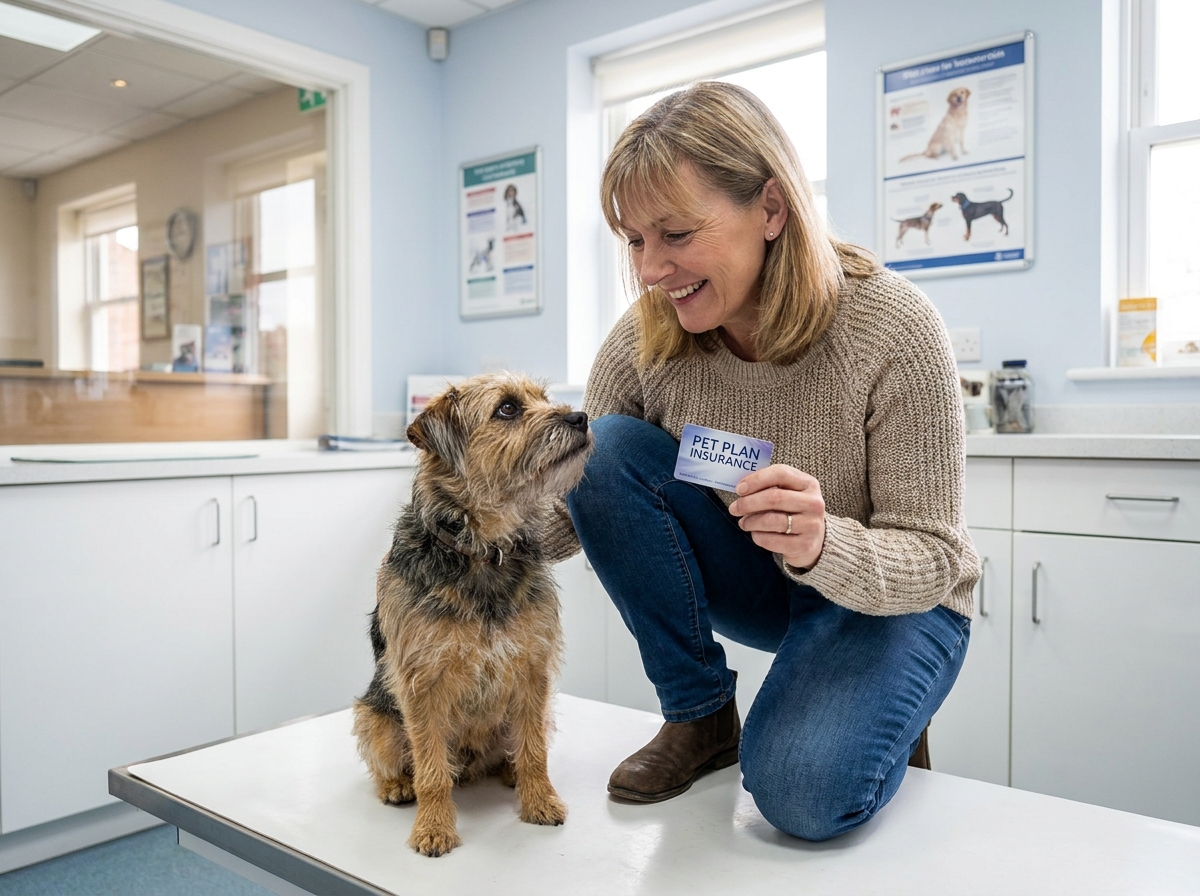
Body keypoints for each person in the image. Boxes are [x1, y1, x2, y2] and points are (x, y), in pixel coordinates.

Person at [549, 82, 979, 841]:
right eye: (635, 241)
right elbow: (587, 497)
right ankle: (701, 716)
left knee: (800, 796)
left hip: (899, 602)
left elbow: (937, 557)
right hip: (767, 583)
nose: (651, 270)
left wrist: (824, 542)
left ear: (772, 210)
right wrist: (464, 528)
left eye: (674, 234)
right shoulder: (649, 335)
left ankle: (875, 712)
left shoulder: (894, 329)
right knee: (605, 445)